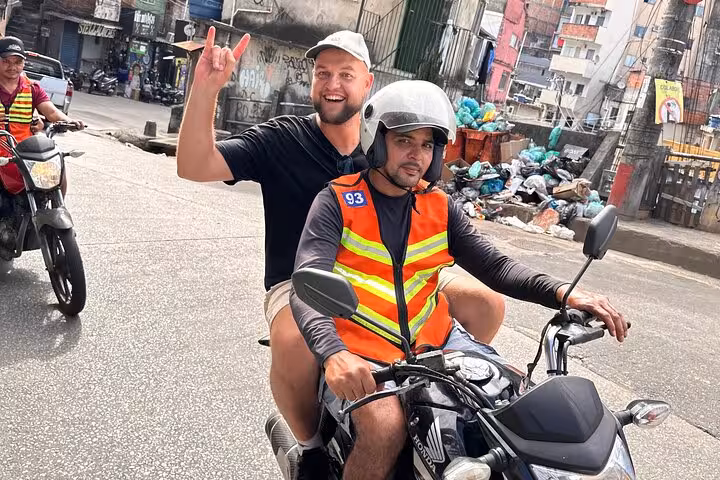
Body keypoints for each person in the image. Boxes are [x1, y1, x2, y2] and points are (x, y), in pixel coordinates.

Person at [176, 28, 507, 478]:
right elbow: (195, 164)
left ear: (368, 85)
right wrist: (207, 89)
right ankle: (311, 447)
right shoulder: (282, 139)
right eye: (323, 73)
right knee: (295, 338)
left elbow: (444, 225)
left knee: (486, 303)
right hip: (304, 277)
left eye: (345, 74)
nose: (333, 84)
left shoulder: (393, 145)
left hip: (394, 268)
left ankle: (436, 402)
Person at [290, 80, 628, 480]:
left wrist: (564, 294)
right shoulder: (338, 201)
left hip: (437, 341)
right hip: (364, 348)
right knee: (385, 427)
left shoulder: (438, 206)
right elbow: (308, 283)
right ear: (377, 139)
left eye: (428, 145)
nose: (417, 156)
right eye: (404, 141)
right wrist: (333, 353)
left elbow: (497, 268)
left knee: (516, 407)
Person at [0, 36, 85, 197]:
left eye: (18, 62)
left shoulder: (32, 88)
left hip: (25, 153)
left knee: (57, 170)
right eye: (6, 61)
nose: (13, 67)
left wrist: (69, 122)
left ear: (24, 64)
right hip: (1, 154)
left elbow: (52, 112)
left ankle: (56, 208)